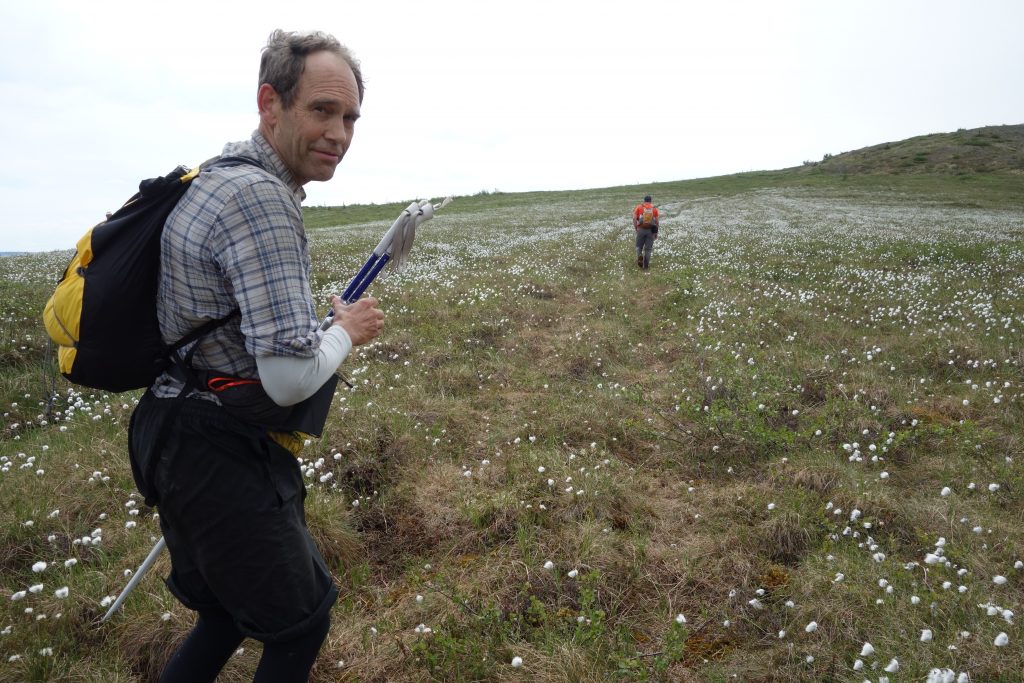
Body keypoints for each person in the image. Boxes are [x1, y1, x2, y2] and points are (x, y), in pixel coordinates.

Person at [127, 30, 383, 682]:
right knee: (301, 624)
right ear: (271, 103)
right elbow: (289, 379)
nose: (339, 134)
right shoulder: (261, 201)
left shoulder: (217, 176)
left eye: (350, 117)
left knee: (223, 615)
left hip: (174, 430)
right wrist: (346, 331)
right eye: (322, 110)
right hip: (218, 452)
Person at [632, 194, 660, 270]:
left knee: (638, 246)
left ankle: (640, 256)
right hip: (650, 230)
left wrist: (636, 228)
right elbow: (657, 221)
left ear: (644, 200)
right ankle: (646, 266)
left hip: (641, 229)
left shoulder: (639, 207)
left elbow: (634, 218)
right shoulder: (654, 209)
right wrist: (656, 232)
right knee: (648, 249)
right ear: (650, 201)